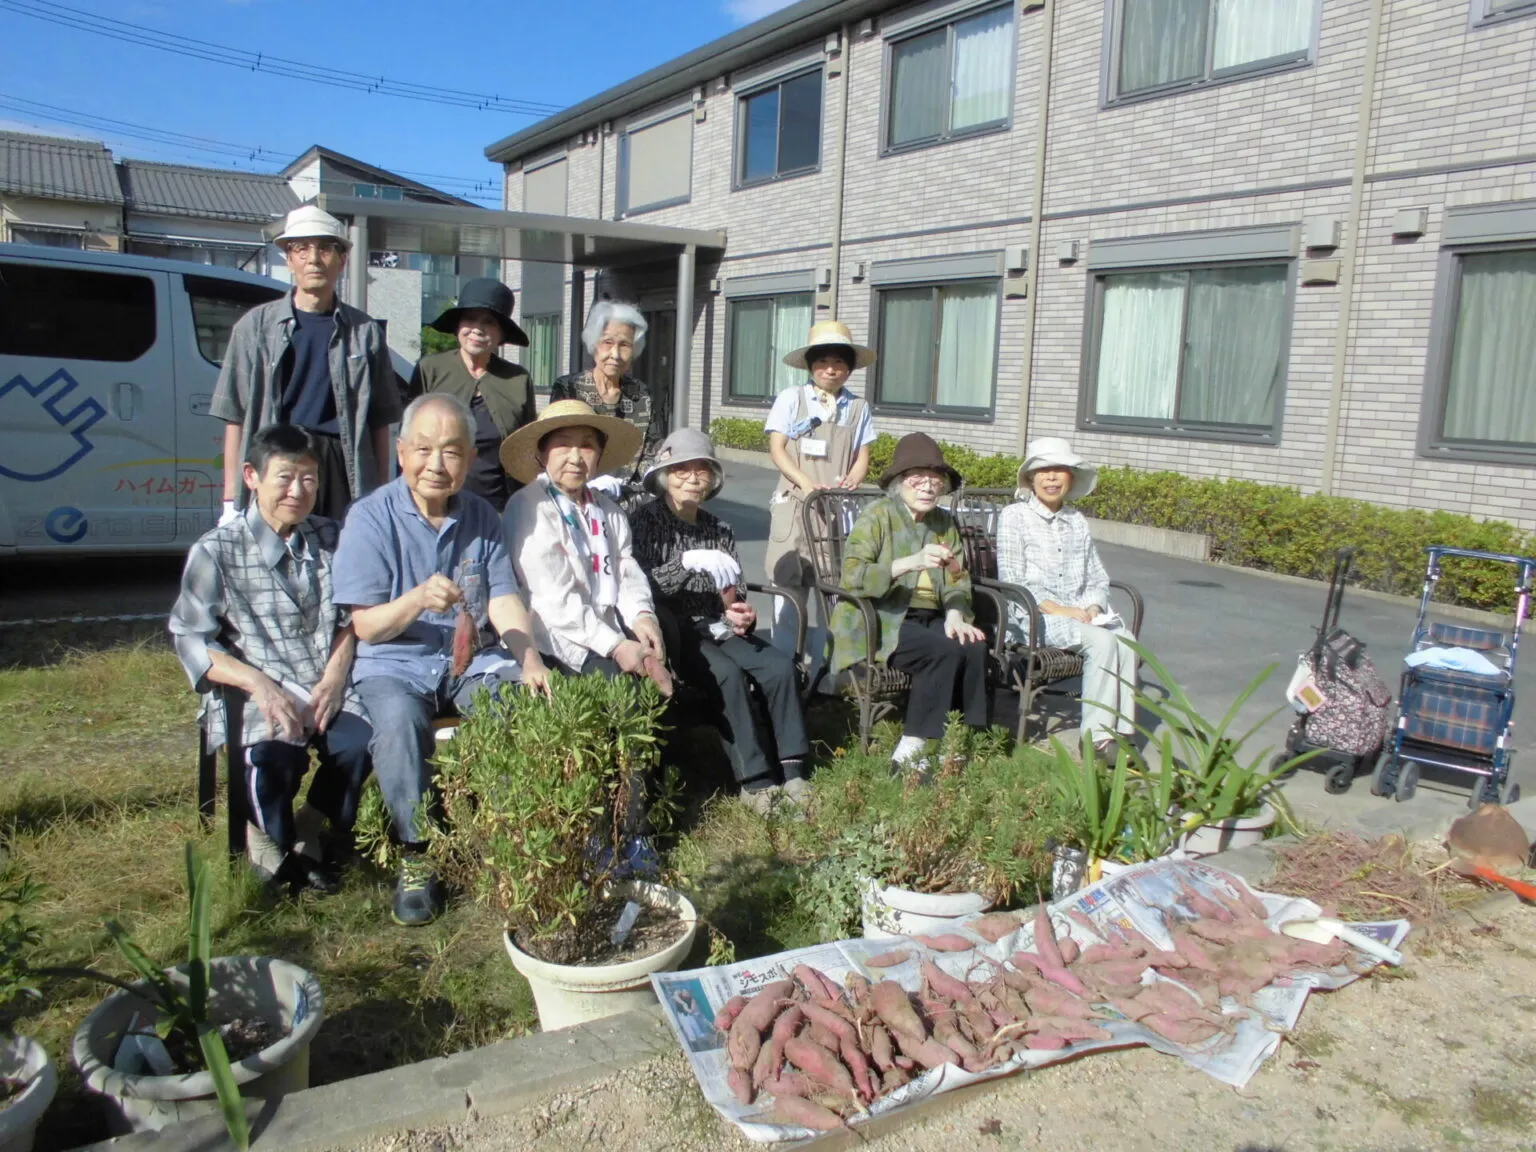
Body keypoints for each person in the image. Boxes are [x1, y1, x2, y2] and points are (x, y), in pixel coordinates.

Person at [332, 393, 551, 927]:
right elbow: (365, 626)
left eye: (452, 452)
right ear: (401, 452)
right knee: (402, 724)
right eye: (424, 449)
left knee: (513, 704)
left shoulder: (481, 514)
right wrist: (414, 600)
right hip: (393, 663)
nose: (437, 464)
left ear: (471, 459)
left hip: (466, 662)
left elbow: (501, 598)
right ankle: (417, 852)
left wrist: (529, 659)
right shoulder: (369, 518)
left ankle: (511, 839)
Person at [169, 424, 372, 896]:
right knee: (269, 756)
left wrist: (337, 675)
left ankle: (309, 825)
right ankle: (267, 841)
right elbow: (191, 639)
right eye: (284, 477)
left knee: (363, 741)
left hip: (323, 680)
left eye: (309, 479)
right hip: (260, 684)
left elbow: (353, 616)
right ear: (251, 476)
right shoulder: (217, 551)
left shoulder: (330, 536)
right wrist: (259, 685)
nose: (298, 491)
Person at [631, 429, 810, 814]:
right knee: (725, 673)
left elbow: (736, 589)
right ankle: (755, 781)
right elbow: (643, 585)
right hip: (674, 632)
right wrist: (685, 562)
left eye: (702, 471)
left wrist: (740, 610)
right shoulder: (644, 522)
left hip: (718, 624)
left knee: (778, 666)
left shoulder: (718, 528)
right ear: (665, 475)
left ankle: (794, 770)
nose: (692, 478)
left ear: (712, 480)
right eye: (681, 470)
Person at [211, 205, 401, 523]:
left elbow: (380, 423)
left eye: (326, 248)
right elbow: (235, 416)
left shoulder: (365, 331)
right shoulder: (254, 327)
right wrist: (231, 500)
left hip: (342, 463)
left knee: (342, 559)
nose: (313, 258)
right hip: (278, 456)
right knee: (276, 558)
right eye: (301, 248)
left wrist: (381, 494)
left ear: (342, 260)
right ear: (288, 259)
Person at [830, 433, 988, 775]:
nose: (929, 487)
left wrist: (956, 615)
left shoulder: (944, 522)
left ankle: (956, 740)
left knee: (971, 644)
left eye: (936, 481)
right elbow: (853, 577)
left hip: (932, 617)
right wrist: (910, 562)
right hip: (881, 618)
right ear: (900, 482)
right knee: (941, 651)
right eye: (919, 479)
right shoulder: (877, 516)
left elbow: (959, 577)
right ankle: (910, 752)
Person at [500, 400, 670, 689]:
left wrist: (642, 616)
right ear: (542, 453)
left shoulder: (607, 509)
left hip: (605, 626)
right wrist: (616, 645)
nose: (576, 457)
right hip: (556, 639)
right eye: (563, 446)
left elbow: (624, 569)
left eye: (587, 446)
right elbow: (553, 600)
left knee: (663, 649)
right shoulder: (530, 506)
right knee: (625, 694)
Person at [996, 438, 1137, 751]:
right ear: (1031, 478)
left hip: (1079, 615)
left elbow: (1097, 575)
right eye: (1043, 471)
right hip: (1034, 618)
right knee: (1102, 642)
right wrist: (1062, 610)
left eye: (1059, 471)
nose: (1051, 478)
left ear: (1070, 478)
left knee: (1126, 641)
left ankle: (1122, 731)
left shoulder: (1077, 521)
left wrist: (1094, 605)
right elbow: (1013, 581)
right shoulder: (1014, 517)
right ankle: (1097, 738)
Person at [763, 320, 878, 658]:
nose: (831, 369)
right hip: (794, 504)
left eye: (840, 362)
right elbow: (777, 448)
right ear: (811, 365)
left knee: (831, 590)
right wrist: (805, 482)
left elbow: (863, 454)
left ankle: (825, 673)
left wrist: (853, 478)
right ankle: (785, 667)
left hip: (832, 509)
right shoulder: (792, 398)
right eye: (823, 362)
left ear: (850, 368)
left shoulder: (858, 408)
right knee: (787, 588)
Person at [407, 279, 536, 512]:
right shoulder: (430, 369)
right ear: (458, 325)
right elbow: (409, 440)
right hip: (436, 505)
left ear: (501, 335)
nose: (477, 328)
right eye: (470, 319)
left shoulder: (517, 379)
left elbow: (527, 448)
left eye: (489, 322)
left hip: (499, 508)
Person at [549, 301, 668, 506]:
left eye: (624, 345)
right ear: (594, 344)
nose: (615, 354)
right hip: (577, 499)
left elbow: (653, 454)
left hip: (632, 501)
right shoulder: (569, 388)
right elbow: (558, 451)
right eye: (607, 342)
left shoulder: (643, 394)